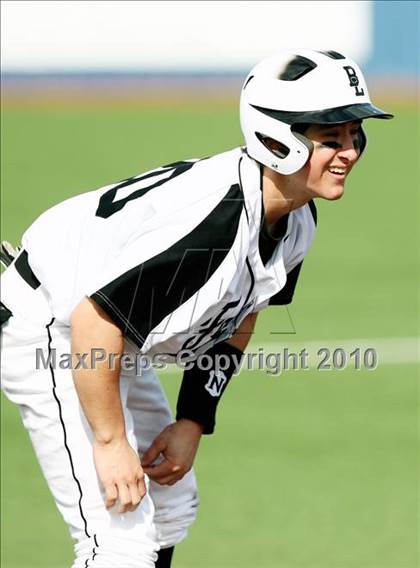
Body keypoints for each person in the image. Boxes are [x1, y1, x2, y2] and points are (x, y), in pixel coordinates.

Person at [0, 48, 392, 567]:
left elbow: (242, 316)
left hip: (110, 332)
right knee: (118, 542)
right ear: (277, 140)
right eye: (330, 138)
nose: (349, 152)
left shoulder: (296, 217)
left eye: (353, 136)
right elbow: (94, 321)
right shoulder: (214, 227)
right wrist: (110, 440)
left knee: (170, 506)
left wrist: (192, 420)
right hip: (55, 330)